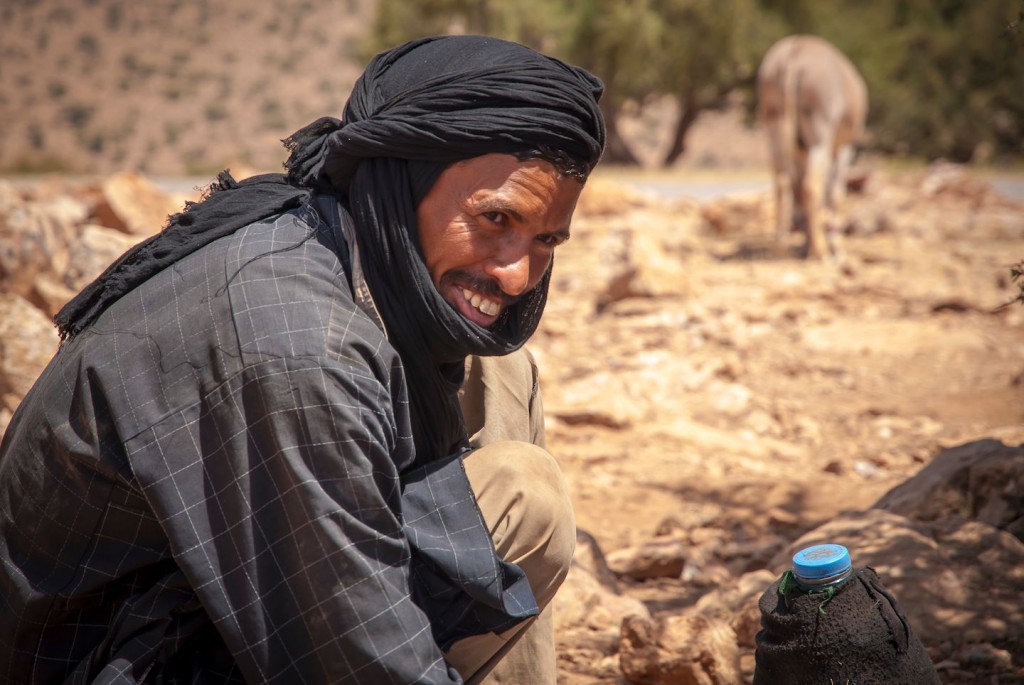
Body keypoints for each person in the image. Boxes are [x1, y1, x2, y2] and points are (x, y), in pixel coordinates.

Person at [0, 35, 605, 684]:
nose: (518, 275)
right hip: (129, 657)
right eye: (494, 219)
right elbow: (359, 663)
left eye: (545, 239)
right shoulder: (299, 342)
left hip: (203, 596)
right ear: (404, 178)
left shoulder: (332, 235)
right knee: (525, 498)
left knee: (497, 368)